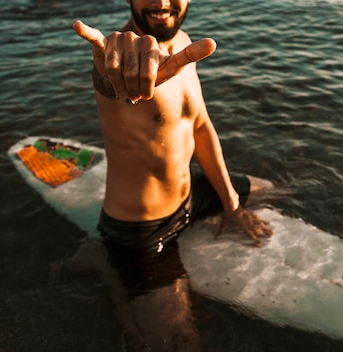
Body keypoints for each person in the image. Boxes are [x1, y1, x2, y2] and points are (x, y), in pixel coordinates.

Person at [73, 0, 273, 254]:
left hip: (191, 192)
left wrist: (231, 205)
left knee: (275, 191)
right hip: (141, 230)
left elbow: (199, 125)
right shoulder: (122, 58)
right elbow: (108, 83)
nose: (162, 2)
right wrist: (114, 75)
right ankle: (96, 258)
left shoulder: (184, 44)